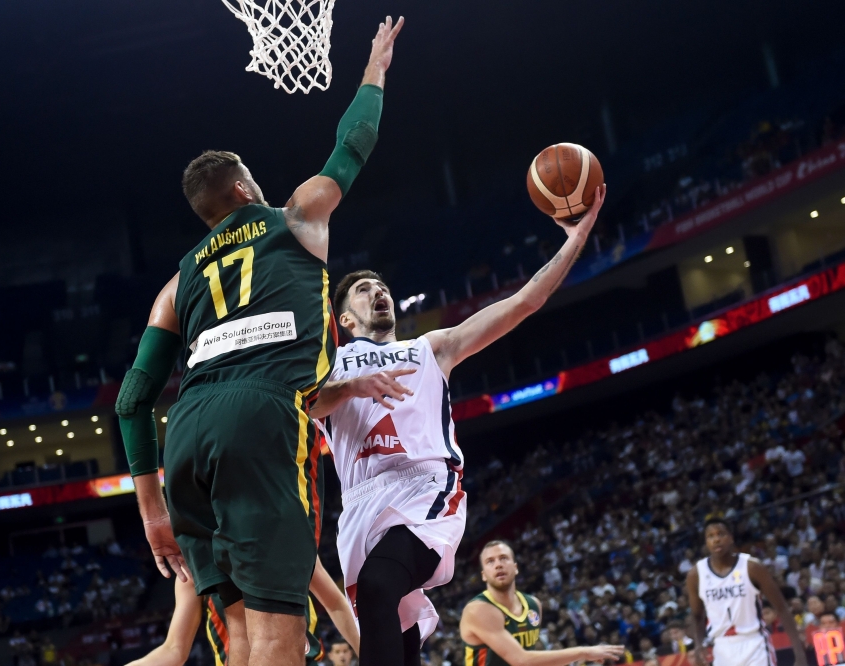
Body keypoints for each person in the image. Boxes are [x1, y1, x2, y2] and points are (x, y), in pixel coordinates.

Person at [114, 15, 404, 666]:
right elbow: (352, 144)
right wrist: (375, 70)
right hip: (263, 418)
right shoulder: (295, 218)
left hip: (188, 432)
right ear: (244, 188)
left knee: (239, 634)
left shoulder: (176, 281)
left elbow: (132, 401)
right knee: (280, 633)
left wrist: (152, 511)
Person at [312, 185, 607, 666]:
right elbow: (302, 407)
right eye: (364, 291)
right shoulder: (330, 365)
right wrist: (350, 388)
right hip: (359, 504)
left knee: (379, 584)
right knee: (398, 638)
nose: (378, 292)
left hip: (423, 485)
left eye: (381, 286)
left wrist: (575, 239)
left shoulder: (433, 348)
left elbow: (524, 302)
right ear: (344, 317)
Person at [125, 557, 358, 666]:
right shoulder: (193, 564)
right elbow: (174, 650)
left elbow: (335, 604)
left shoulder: (286, 535)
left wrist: (372, 656)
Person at [460, 541, 624, 666]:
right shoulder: (479, 610)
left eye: (503, 558)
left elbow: (532, 658)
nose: (498, 565)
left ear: (515, 568)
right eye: (490, 561)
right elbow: (520, 660)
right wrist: (584, 652)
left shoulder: (533, 605)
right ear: (483, 575)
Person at [686, 518, 807, 666]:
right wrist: (698, 644)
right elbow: (697, 616)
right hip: (722, 648)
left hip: (754, 644)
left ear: (731, 538)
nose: (716, 539)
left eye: (720, 534)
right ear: (706, 542)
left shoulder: (752, 567)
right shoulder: (696, 575)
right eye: (710, 536)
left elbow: (782, 608)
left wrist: (799, 653)